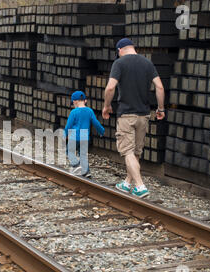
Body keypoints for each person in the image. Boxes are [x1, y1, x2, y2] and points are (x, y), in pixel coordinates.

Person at [103, 38, 165, 198]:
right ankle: (127, 183)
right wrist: (160, 108)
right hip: (143, 115)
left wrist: (107, 105)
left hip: (126, 115)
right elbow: (159, 86)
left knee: (127, 151)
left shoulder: (119, 63)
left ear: (120, 50)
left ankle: (140, 186)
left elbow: (110, 87)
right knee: (136, 151)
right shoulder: (147, 63)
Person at [64, 91, 105, 178]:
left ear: (75, 101)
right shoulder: (89, 111)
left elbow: (68, 125)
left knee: (69, 152)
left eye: (73, 102)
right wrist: (101, 131)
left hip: (74, 136)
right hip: (84, 136)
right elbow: (95, 122)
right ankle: (86, 172)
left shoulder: (74, 112)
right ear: (85, 101)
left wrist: (65, 134)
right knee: (82, 154)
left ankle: (77, 165)